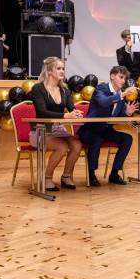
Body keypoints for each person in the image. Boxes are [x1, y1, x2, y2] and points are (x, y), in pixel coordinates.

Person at [76, 65, 138, 186]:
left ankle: (114, 174)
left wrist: (126, 113)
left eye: (124, 78)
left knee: (127, 138)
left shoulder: (120, 95)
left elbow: (116, 117)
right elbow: (104, 102)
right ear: (112, 76)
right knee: (97, 139)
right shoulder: (100, 88)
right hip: (90, 130)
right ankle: (91, 174)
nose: (123, 81)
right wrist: (122, 95)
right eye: (121, 77)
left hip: (105, 130)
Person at [29, 57, 83, 191]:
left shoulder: (65, 90)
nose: (62, 71)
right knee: (62, 147)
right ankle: (47, 178)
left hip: (58, 130)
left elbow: (71, 108)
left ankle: (66, 176)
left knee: (77, 145)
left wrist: (76, 112)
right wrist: (64, 115)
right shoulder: (38, 88)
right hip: (40, 131)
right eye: (58, 68)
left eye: (63, 68)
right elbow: (42, 112)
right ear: (49, 71)